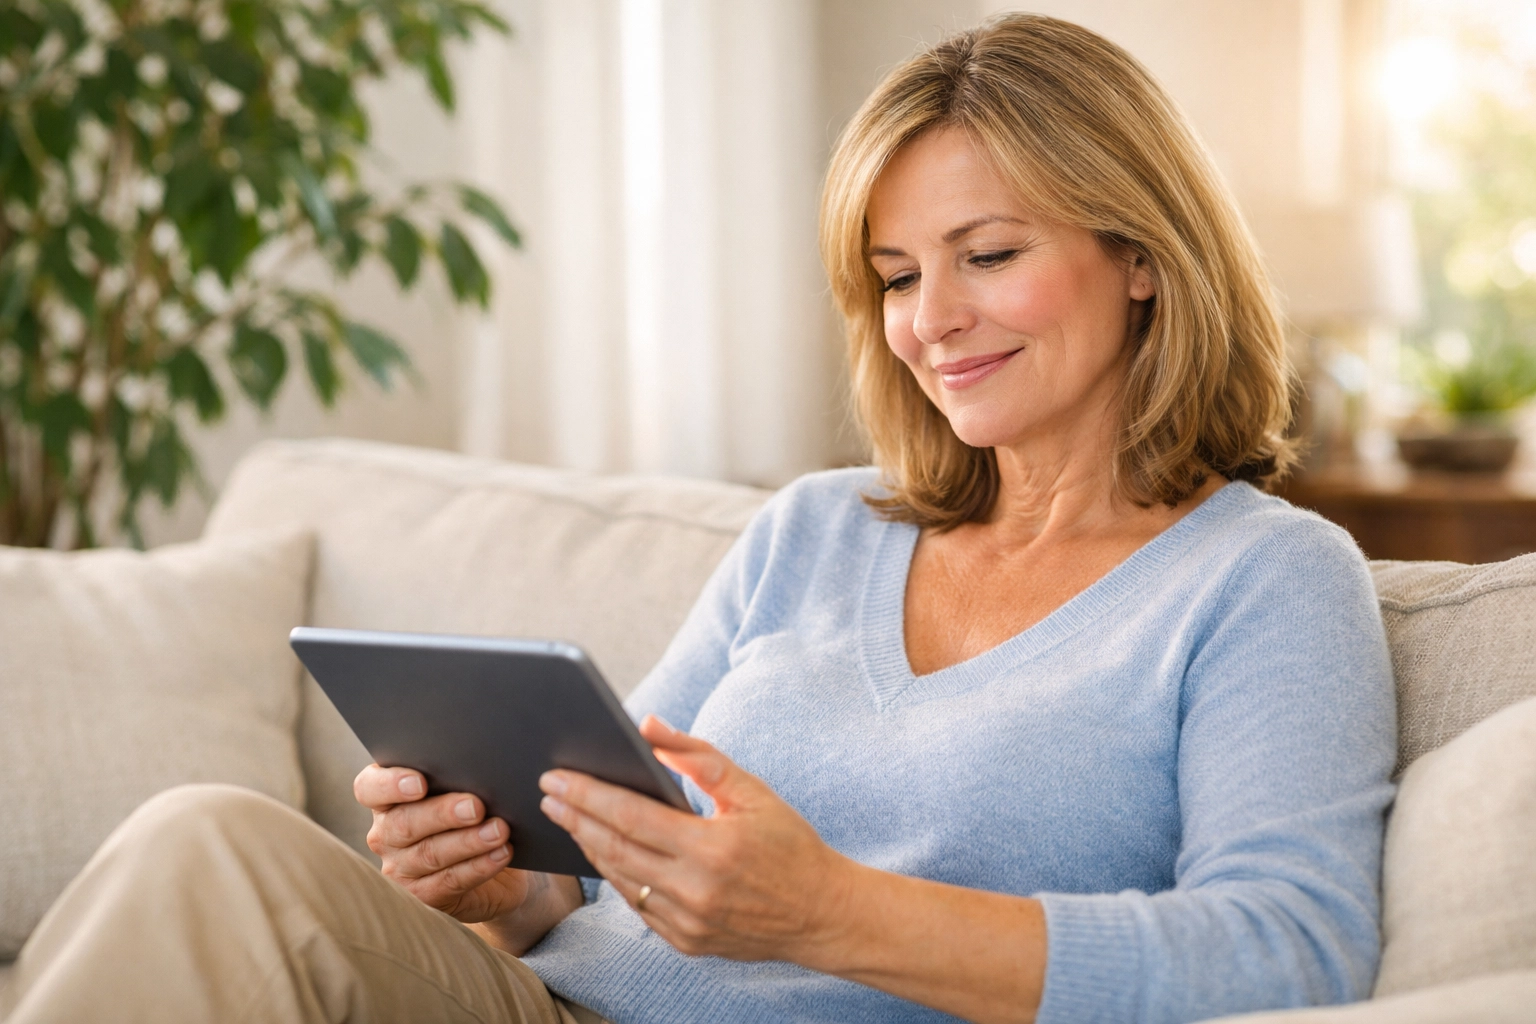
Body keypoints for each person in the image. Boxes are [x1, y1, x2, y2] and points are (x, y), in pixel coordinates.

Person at [0, 13, 1395, 1024]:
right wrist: (499, 882)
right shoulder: (818, 531)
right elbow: (596, 863)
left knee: (210, 853)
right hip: (553, 1004)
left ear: (1141, 256)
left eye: (987, 254)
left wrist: (830, 914)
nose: (932, 320)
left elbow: (1293, 949)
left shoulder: (1264, 580)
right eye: (896, 276)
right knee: (211, 842)